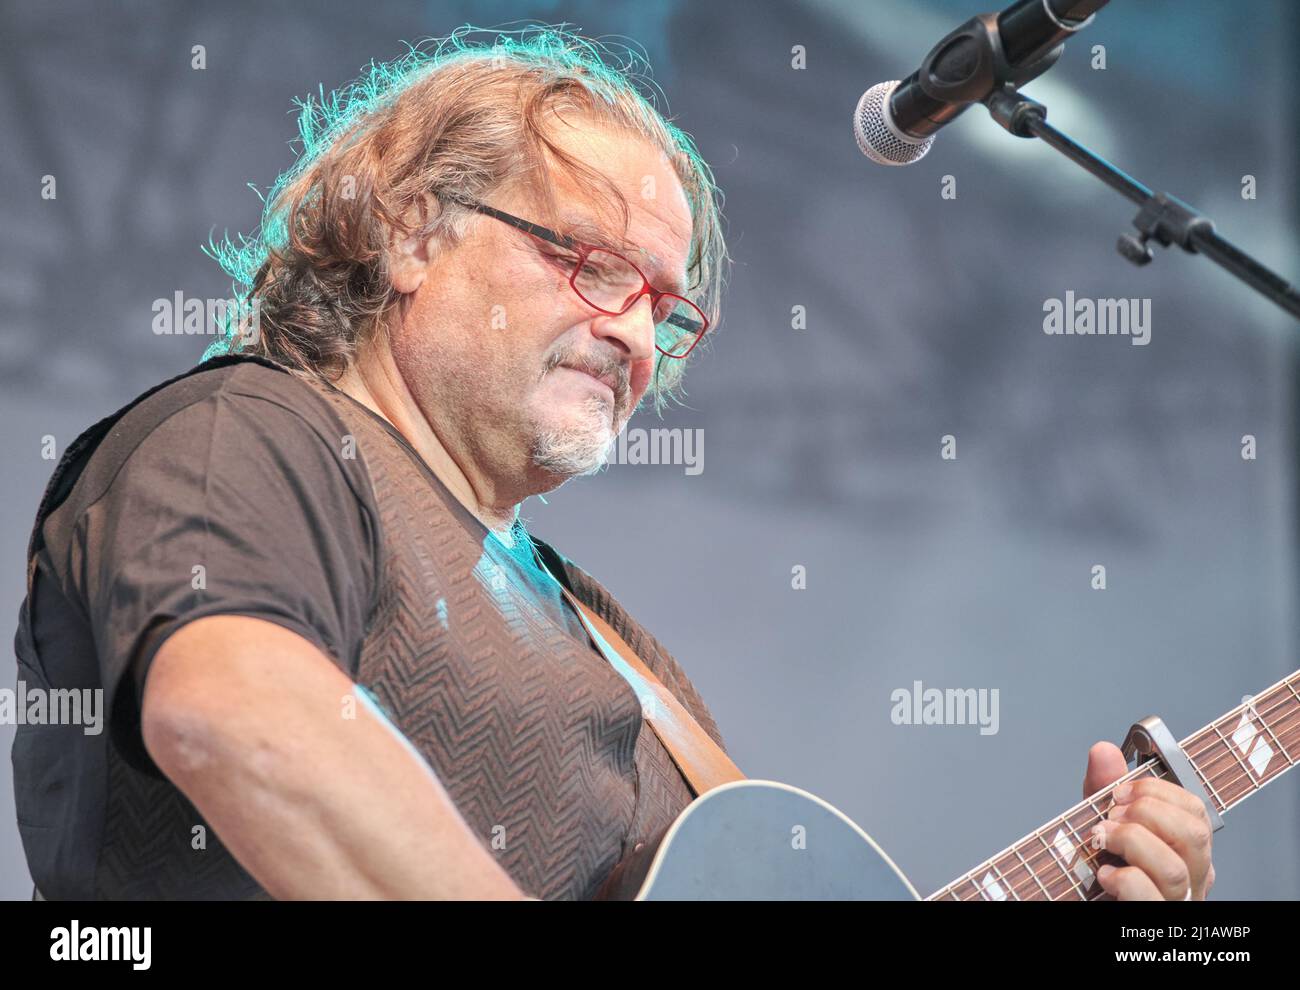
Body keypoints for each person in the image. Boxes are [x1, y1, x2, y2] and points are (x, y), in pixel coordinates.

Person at [10, 26, 1213, 901]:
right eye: (592, 264)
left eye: (667, 309)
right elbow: (237, 714)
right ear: (411, 229)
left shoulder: (599, 633)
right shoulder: (257, 437)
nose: (637, 334)